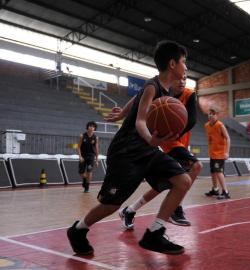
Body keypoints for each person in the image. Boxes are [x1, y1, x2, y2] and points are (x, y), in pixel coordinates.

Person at [67, 40, 191, 256]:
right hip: (128, 151)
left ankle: (155, 233)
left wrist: (123, 112)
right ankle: (78, 230)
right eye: (184, 62)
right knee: (112, 204)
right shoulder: (154, 86)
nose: (186, 67)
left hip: (148, 151)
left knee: (183, 181)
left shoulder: (163, 87)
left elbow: (138, 96)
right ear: (172, 64)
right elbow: (140, 122)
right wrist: (149, 139)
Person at [107, 75, 202, 228]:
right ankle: (175, 208)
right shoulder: (160, 89)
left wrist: (174, 127)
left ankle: (130, 210)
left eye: (185, 78)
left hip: (178, 140)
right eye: (179, 78)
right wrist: (122, 114)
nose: (182, 80)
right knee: (196, 166)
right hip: (166, 141)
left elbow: (191, 121)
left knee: (165, 184)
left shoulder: (189, 94)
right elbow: (138, 99)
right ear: (171, 75)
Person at [204, 106, 231, 199]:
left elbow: (228, 138)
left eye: (213, 114)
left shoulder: (220, 125)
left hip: (220, 154)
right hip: (212, 153)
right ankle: (215, 189)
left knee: (218, 172)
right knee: (213, 172)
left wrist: (227, 152)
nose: (211, 115)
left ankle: (225, 192)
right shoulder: (206, 125)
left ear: (217, 115)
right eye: (209, 113)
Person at [77, 121, 99, 193]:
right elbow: (78, 147)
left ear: (94, 128)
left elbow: (96, 148)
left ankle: (87, 187)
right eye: (90, 126)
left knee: (89, 171)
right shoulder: (82, 136)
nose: (91, 127)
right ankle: (85, 180)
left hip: (91, 156)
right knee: (81, 173)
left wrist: (97, 159)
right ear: (87, 127)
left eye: (93, 126)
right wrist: (80, 156)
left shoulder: (96, 137)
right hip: (83, 156)